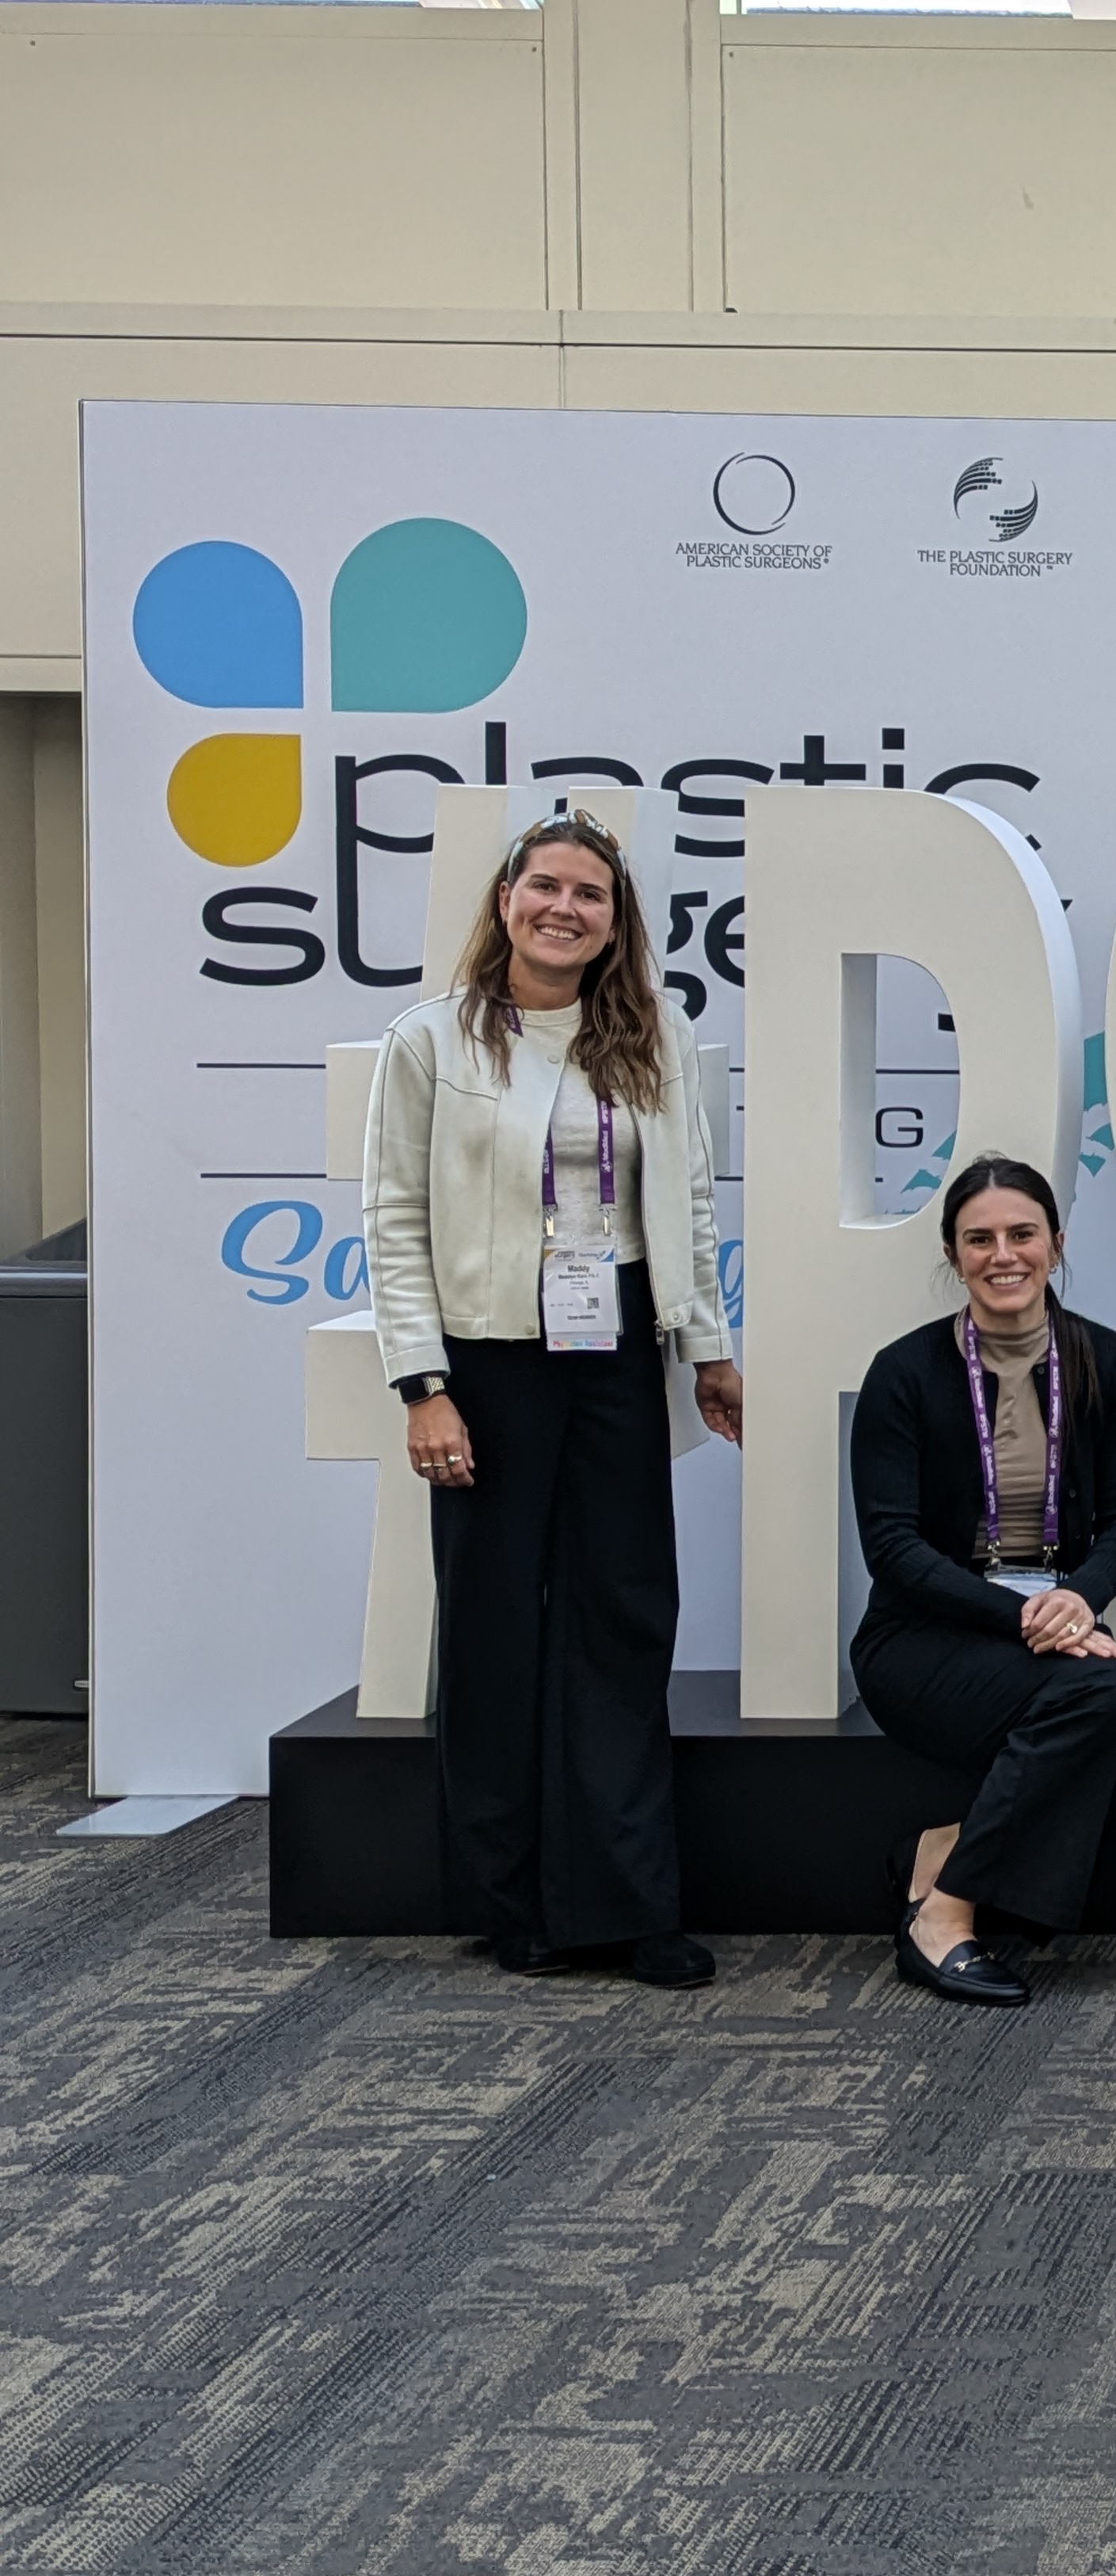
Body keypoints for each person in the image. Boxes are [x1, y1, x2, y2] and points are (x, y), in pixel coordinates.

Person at [365, 811, 742, 1989]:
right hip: (486, 1362)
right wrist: (424, 1386)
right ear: (506, 900)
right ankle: (512, 1897)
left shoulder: (654, 1035)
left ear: (615, 923)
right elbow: (392, 1219)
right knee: (493, 1625)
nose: (563, 909)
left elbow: (688, 1199)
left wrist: (708, 1348)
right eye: (545, 887)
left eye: (590, 894)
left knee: (621, 1617)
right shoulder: (431, 1040)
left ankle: (628, 1900)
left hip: (614, 1343)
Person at [849, 1156, 1116, 2005]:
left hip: (1050, 1621)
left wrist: (1078, 1599)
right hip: (923, 1638)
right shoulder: (903, 1373)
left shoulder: (1105, 1361)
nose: (1002, 1255)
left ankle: (944, 1849)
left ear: (1056, 1244)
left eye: (1021, 1234)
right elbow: (892, 1549)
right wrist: (1027, 1620)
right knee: (1101, 1694)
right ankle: (943, 1920)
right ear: (953, 1254)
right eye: (980, 1239)